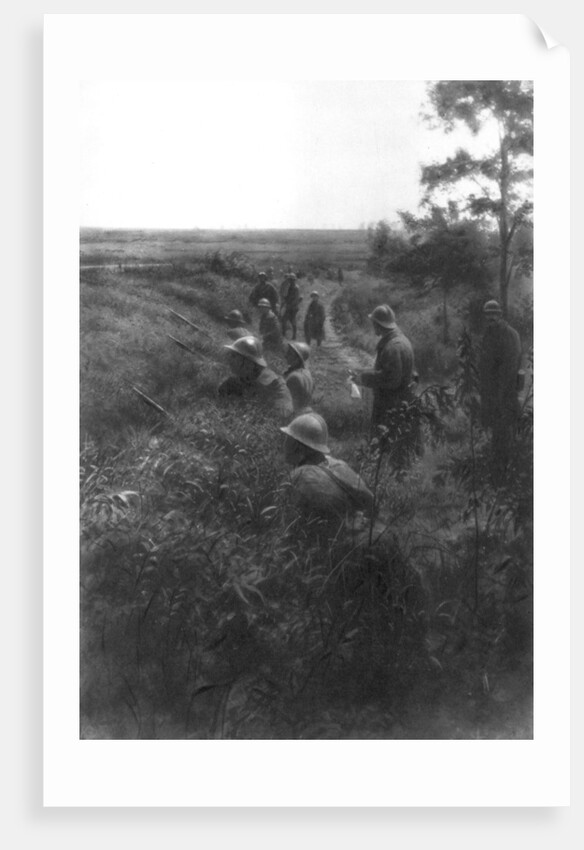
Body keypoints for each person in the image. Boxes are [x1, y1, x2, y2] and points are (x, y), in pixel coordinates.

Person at [280, 413, 374, 532]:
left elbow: (284, 524)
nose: (284, 444)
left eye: (288, 438)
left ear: (299, 446)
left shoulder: (296, 477)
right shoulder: (339, 465)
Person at [351, 304, 420, 462]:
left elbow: (390, 380)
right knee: (400, 445)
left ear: (379, 324)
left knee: (385, 446)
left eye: (374, 323)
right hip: (402, 402)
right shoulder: (402, 341)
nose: (373, 326)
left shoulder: (391, 347)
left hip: (390, 404)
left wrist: (362, 378)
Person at [479, 300, 522, 474]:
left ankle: (504, 469)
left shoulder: (509, 335)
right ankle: (497, 466)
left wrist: (499, 394)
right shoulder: (490, 333)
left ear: (500, 315)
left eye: (494, 314)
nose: (491, 318)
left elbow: (509, 369)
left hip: (505, 392)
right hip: (491, 392)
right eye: (488, 315)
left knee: (503, 431)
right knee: (496, 430)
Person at [217, 335, 293, 419]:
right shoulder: (236, 381)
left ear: (248, 363)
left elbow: (280, 417)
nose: (230, 360)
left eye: (234, 356)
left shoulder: (275, 386)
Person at [283, 341, 314, 415]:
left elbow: (289, 405)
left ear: (298, 359)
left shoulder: (294, 377)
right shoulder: (307, 373)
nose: (286, 355)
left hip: (295, 416)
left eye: (290, 354)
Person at [280, 273, 302, 339]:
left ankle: (294, 336)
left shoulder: (296, 288)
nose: (291, 281)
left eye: (292, 280)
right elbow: (288, 297)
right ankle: (284, 335)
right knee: (284, 320)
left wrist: (289, 304)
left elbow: (295, 299)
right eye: (290, 280)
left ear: (294, 280)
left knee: (292, 321)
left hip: (293, 307)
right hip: (289, 307)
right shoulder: (290, 287)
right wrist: (285, 298)